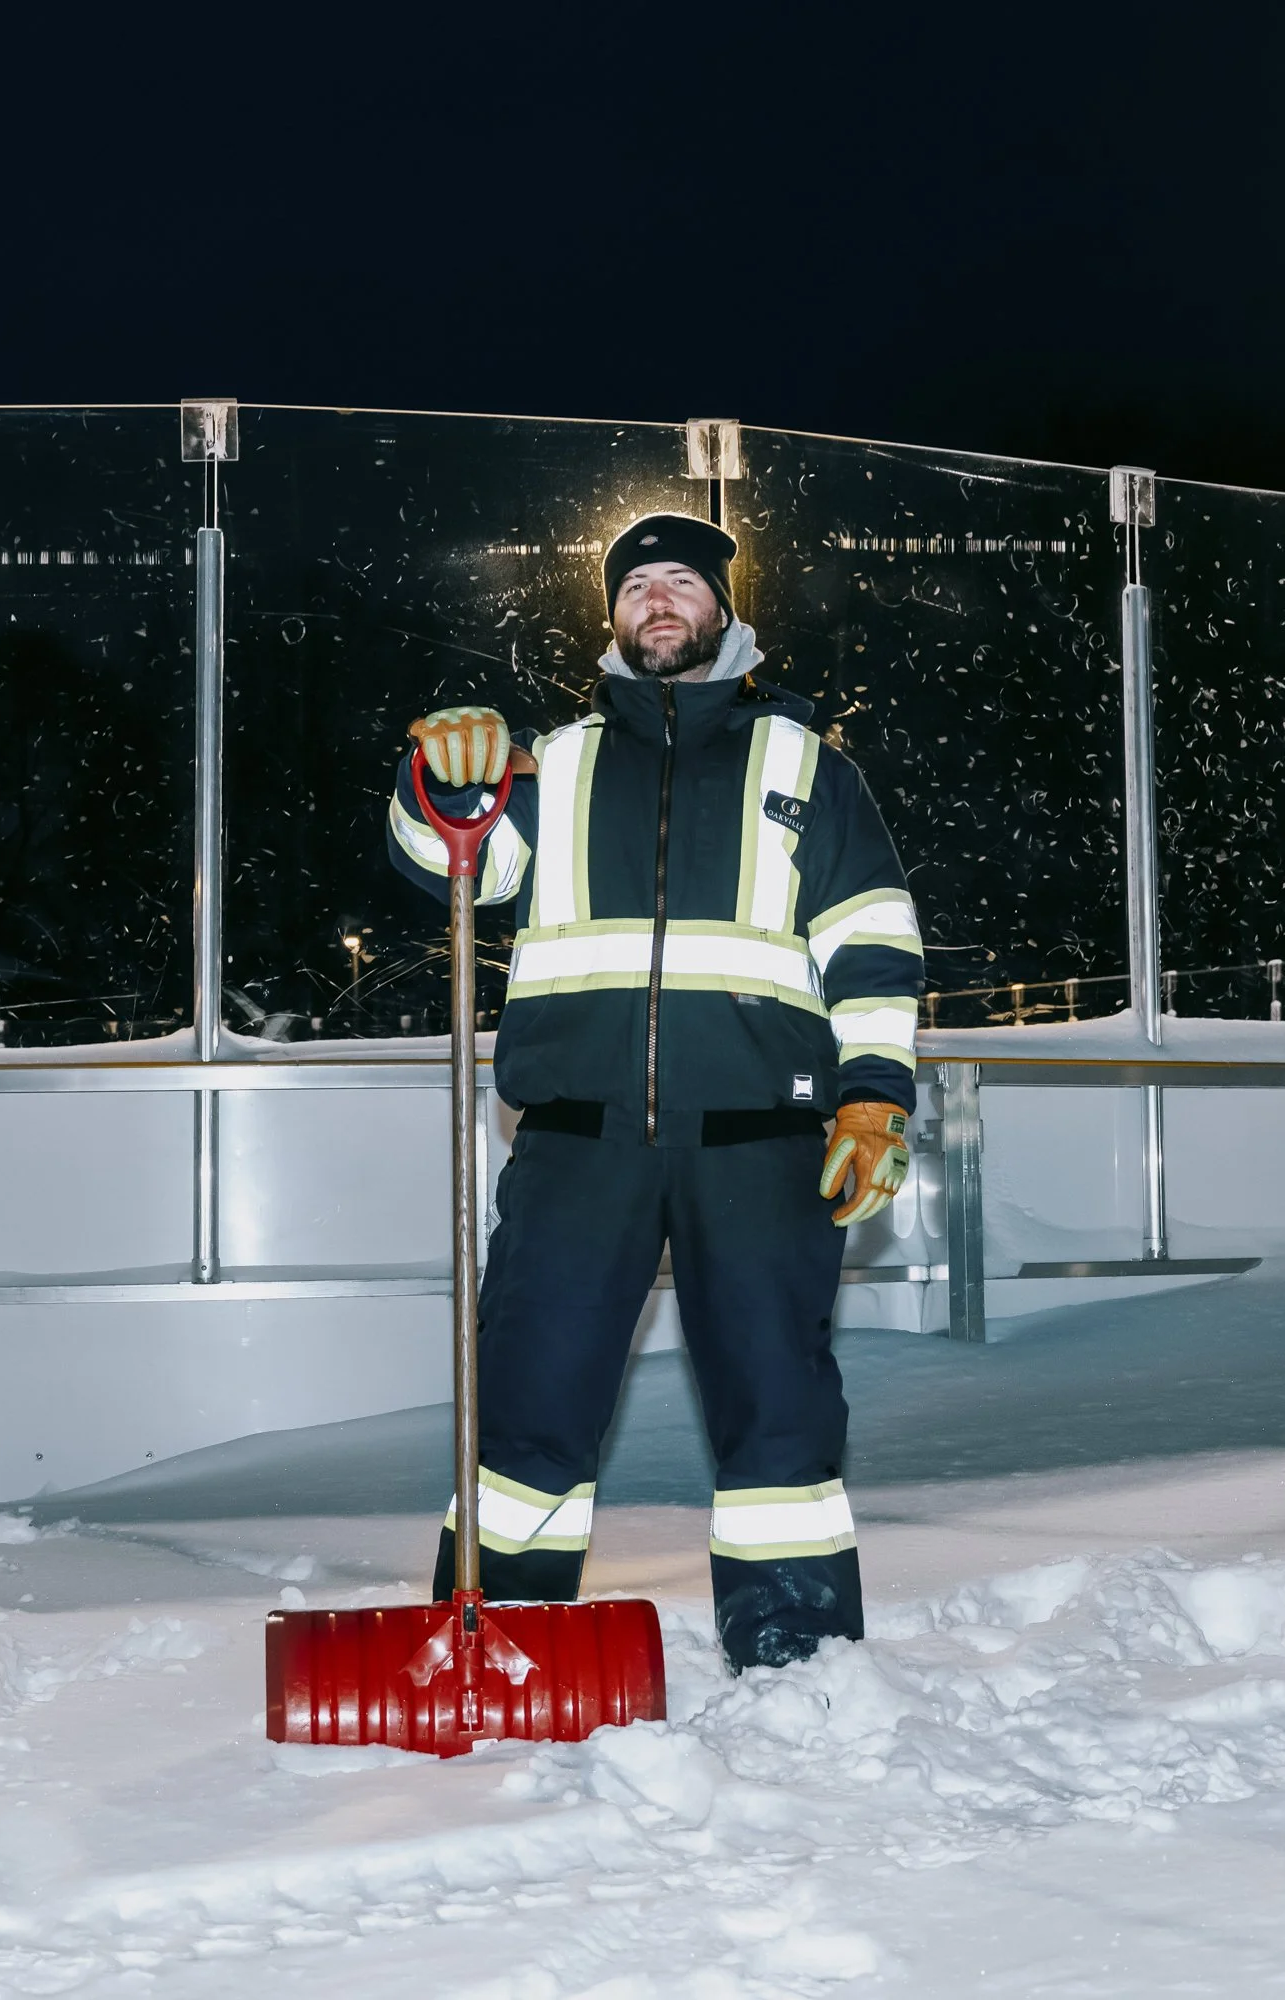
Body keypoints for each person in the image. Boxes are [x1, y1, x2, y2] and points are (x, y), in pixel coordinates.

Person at [388, 513, 924, 1671]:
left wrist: (874, 1093)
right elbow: (444, 862)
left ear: (724, 612)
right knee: (528, 1394)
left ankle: (798, 1645)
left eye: (684, 581)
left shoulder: (806, 765)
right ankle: (501, 1639)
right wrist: (432, 774)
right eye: (639, 585)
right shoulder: (554, 761)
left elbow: (873, 942)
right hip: (580, 1139)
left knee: (780, 1397)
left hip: (765, 1135)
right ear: (613, 617)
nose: (661, 599)